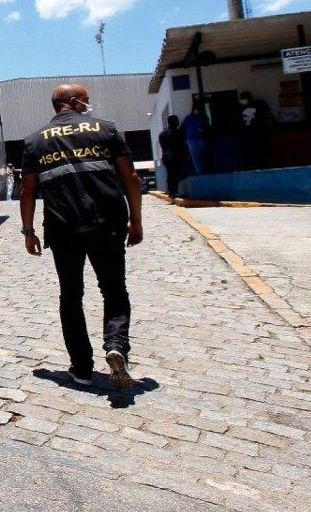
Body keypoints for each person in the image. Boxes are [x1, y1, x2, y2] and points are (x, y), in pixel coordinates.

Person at [20, 83, 142, 390]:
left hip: (63, 229)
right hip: (107, 225)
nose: (89, 104)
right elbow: (131, 177)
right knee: (114, 290)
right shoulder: (106, 129)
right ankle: (116, 345)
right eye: (86, 99)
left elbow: (27, 190)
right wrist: (136, 220)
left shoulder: (35, 142)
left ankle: (82, 369)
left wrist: (29, 231)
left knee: (71, 296)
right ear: (73, 101)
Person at [157, 115, 187, 199]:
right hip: (175, 156)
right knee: (174, 175)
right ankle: (174, 192)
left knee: (170, 175)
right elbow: (182, 145)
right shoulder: (178, 132)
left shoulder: (162, 133)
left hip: (166, 156)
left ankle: (171, 193)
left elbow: (162, 145)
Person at [180, 104, 206, 175]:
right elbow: (182, 128)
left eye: (198, 109)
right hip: (191, 139)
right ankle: (199, 171)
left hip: (200, 138)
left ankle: (202, 170)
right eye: (196, 109)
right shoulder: (188, 118)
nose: (197, 111)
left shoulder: (202, 118)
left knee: (201, 155)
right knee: (195, 155)